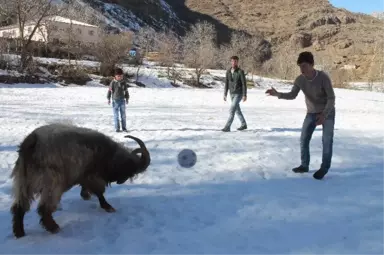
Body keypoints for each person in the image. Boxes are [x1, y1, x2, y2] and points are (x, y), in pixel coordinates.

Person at [265, 51, 336, 180]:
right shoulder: (300, 80)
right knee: (304, 139)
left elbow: (331, 98)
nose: (302, 69)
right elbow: (292, 95)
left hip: (327, 112)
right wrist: (278, 94)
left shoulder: (323, 77)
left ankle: (324, 168)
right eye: (300, 66)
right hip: (311, 113)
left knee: (327, 141)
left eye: (304, 66)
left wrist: (324, 115)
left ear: (312, 64)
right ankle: (304, 165)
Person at [222, 55, 247, 132]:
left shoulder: (240, 72)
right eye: (232, 61)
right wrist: (225, 94)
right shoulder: (228, 71)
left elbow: (244, 84)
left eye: (235, 61)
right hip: (231, 93)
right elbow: (226, 83)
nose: (234, 62)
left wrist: (244, 95)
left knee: (232, 109)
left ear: (237, 62)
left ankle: (227, 127)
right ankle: (244, 124)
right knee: (237, 110)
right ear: (231, 62)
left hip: (238, 94)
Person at [107, 68, 129, 132]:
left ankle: (124, 128)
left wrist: (127, 98)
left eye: (121, 76)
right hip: (115, 101)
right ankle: (117, 128)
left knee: (123, 115)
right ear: (115, 76)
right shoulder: (113, 83)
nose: (120, 77)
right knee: (116, 116)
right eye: (118, 76)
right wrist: (108, 98)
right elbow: (109, 91)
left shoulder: (123, 82)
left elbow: (126, 91)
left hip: (122, 101)